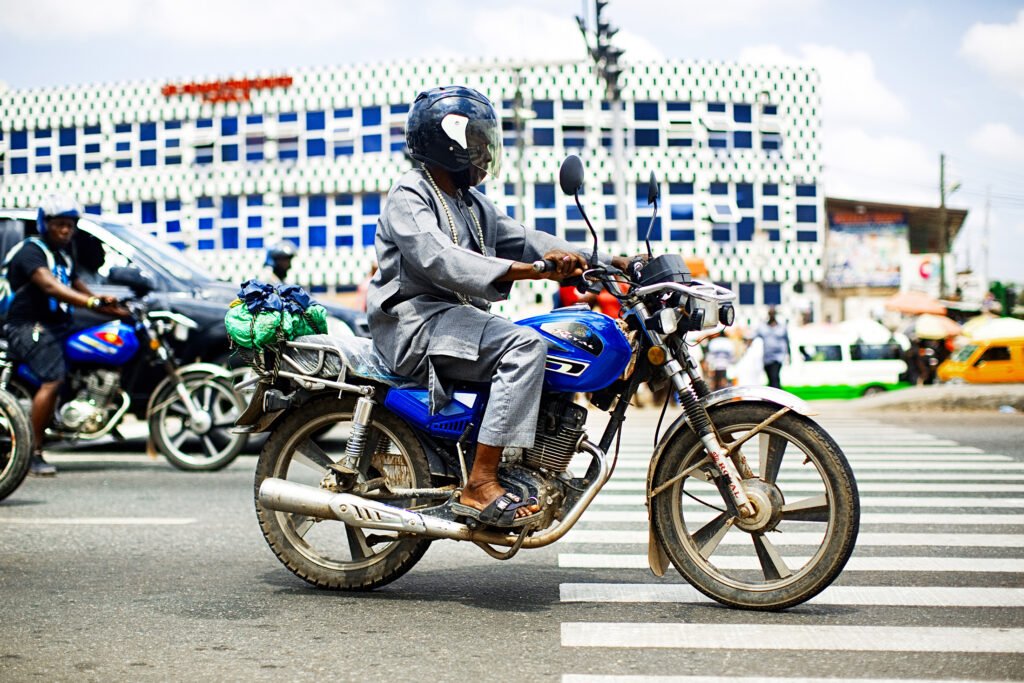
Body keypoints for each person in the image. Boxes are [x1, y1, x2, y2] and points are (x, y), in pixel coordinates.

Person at [367, 85, 634, 527]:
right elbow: (442, 260)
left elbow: (530, 239)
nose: (485, 152)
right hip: (413, 325)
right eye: (476, 141)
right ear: (446, 142)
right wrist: (528, 270)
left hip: (454, 322)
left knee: (539, 342)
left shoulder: (471, 204)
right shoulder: (410, 195)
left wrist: (606, 261)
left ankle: (514, 463)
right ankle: (480, 484)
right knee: (525, 347)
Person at [3, 195, 127, 476]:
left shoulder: (63, 255)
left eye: (70, 225)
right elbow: (51, 287)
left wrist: (111, 307)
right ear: (44, 224)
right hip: (26, 325)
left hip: (56, 325)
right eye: (59, 224)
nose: (65, 230)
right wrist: (92, 304)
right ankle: (32, 452)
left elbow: (77, 285)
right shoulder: (31, 252)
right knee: (52, 379)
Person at [756, 306, 790, 389]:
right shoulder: (763, 327)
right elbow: (753, 337)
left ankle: (777, 395)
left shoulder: (782, 327)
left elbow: (787, 341)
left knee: (774, 377)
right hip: (767, 358)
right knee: (771, 378)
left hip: (778, 357)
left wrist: (789, 355)